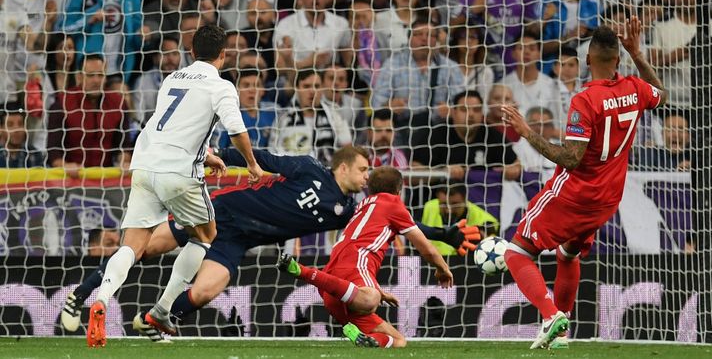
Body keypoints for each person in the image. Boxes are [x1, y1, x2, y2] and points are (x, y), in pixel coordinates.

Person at [62, 147, 480, 339]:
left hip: (240, 240)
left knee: (207, 291)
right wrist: (216, 154)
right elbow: (259, 157)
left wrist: (447, 235)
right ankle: (80, 294)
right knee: (146, 247)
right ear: (343, 167)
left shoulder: (346, 209)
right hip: (220, 212)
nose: (366, 176)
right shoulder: (307, 169)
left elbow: (389, 226)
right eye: (362, 169)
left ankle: (156, 322)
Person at [85, 24, 263, 347]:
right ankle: (163, 310)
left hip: (144, 164)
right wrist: (251, 163)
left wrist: (207, 155)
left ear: (191, 52)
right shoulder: (221, 87)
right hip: (179, 173)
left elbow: (171, 126)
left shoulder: (172, 79)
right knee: (206, 235)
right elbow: (236, 129)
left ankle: (102, 299)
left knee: (133, 244)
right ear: (223, 55)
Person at [500, 17, 667, 349]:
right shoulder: (635, 88)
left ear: (588, 60)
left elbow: (572, 159)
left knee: (516, 252)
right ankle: (560, 335)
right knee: (568, 253)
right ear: (618, 60)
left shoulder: (585, 100)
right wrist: (637, 53)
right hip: (607, 198)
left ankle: (550, 315)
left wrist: (526, 131)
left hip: (574, 192)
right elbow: (660, 93)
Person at [278, 166, 454, 348]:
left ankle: (365, 339)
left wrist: (380, 291)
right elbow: (427, 250)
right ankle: (302, 271)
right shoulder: (393, 204)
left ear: (370, 189)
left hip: (333, 285)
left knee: (399, 341)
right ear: (398, 191)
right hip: (353, 267)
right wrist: (443, 269)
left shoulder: (365, 204)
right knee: (371, 299)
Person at [46, 54, 132, 174]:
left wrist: (124, 161)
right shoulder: (62, 104)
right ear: (79, 77)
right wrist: (64, 165)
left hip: (106, 178)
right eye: (91, 75)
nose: (96, 80)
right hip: (71, 178)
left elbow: (124, 146)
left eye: (100, 75)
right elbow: (53, 150)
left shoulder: (118, 104)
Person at [421, 184, 499, 255]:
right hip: (431, 260)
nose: (449, 210)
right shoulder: (428, 207)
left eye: (455, 204)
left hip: (463, 262)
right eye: (444, 204)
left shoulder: (484, 219)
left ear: (465, 200)